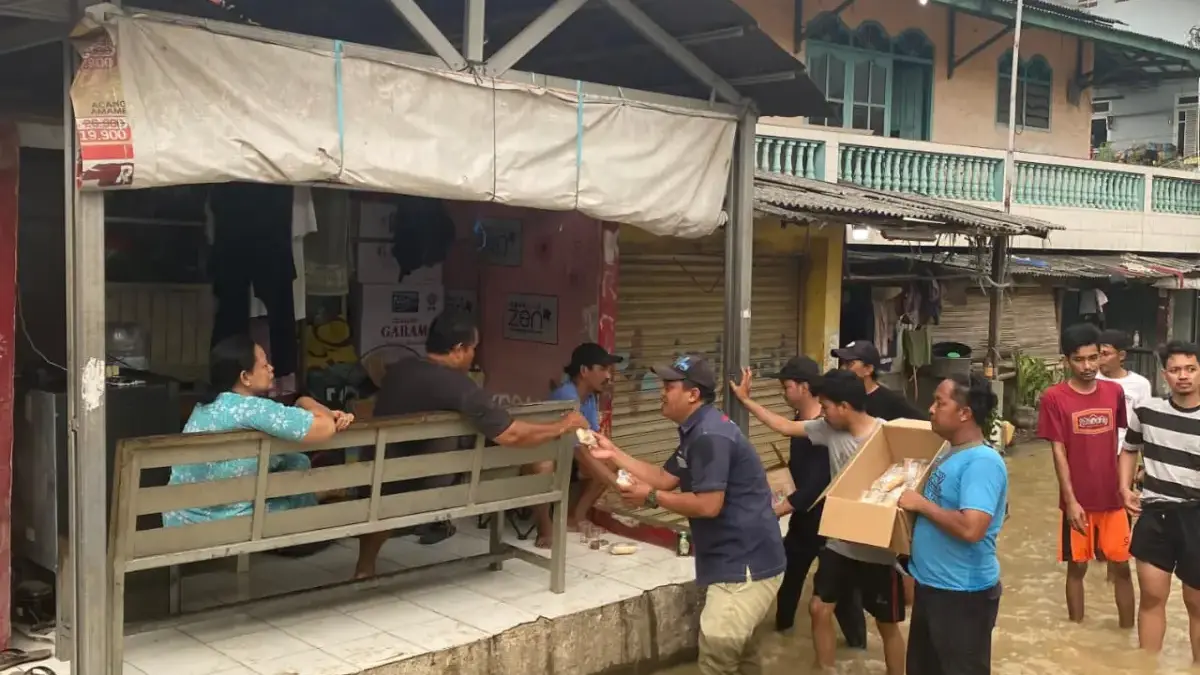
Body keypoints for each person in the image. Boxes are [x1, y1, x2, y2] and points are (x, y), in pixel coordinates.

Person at [586, 355, 785, 675]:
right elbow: (665, 478)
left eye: (669, 386)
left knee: (715, 661)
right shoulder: (698, 429)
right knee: (741, 657)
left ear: (692, 394)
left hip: (744, 565)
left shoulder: (709, 436)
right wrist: (613, 453)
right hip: (739, 559)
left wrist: (650, 497)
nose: (661, 392)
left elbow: (708, 505)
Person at [354, 310, 589, 578]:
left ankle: (365, 565)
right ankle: (546, 530)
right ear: (459, 349)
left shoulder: (399, 370)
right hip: (434, 485)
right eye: (473, 349)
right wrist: (563, 426)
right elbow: (511, 435)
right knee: (536, 454)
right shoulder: (459, 386)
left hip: (380, 482)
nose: (474, 355)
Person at [732, 368, 906, 675]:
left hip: (877, 549)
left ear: (844, 406)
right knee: (818, 608)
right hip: (840, 542)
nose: (821, 413)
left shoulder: (886, 435)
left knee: (887, 624)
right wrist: (746, 400)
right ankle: (824, 669)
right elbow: (785, 426)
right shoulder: (828, 430)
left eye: (825, 407)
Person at [164, 334, 355, 526]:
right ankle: (313, 513)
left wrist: (322, 414)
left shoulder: (206, 405)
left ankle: (316, 500)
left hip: (179, 518)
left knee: (295, 460)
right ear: (245, 377)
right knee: (297, 478)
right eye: (264, 365)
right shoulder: (252, 408)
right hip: (218, 522)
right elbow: (326, 428)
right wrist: (304, 400)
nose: (271, 368)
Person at [744, 357, 868, 646]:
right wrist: (746, 401)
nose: (783, 393)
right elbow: (784, 428)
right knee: (789, 575)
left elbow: (818, 481)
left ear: (802, 387)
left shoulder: (834, 428)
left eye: (786, 386)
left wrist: (780, 509)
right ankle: (783, 633)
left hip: (829, 522)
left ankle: (858, 646)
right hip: (805, 519)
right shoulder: (808, 425)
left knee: (840, 591)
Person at [898, 372, 1008, 675]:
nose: (930, 409)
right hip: (933, 587)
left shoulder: (982, 462)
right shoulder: (949, 452)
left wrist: (921, 505)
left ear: (964, 413)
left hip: (962, 596)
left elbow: (972, 528)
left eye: (939, 402)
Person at [1038, 323, 1134, 628]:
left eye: (1094, 358)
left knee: (1121, 568)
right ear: (1067, 360)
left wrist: (1126, 488)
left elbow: (1122, 445)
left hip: (1114, 499)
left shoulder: (1114, 392)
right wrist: (1070, 501)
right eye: (1080, 359)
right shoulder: (1054, 398)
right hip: (1078, 502)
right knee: (1077, 568)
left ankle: (1128, 636)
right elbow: (1058, 451)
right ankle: (1076, 632)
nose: (1088, 366)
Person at [1121, 340, 1200, 663]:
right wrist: (1123, 488)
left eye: (1191, 369)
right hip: (1156, 514)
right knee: (1152, 598)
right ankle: (1146, 667)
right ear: (1164, 375)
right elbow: (1129, 449)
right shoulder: (1147, 411)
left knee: (1197, 604)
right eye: (1176, 370)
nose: (1184, 376)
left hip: (1197, 516)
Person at [550, 343, 624, 531]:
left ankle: (576, 517)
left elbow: (592, 437)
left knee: (609, 462)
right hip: (553, 457)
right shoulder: (567, 396)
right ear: (584, 371)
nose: (608, 376)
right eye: (602, 369)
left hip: (572, 455)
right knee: (600, 466)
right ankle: (571, 518)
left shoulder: (590, 397)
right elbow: (577, 449)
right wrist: (616, 484)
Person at [833, 340, 924, 421]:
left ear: (868, 369)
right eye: (842, 363)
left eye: (849, 364)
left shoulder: (892, 402)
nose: (843, 368)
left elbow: (925, 425)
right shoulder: (840, 396)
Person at [1097, 329, 1153, 456]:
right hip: (1093, 452)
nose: (1100, 359)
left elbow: (1145, 426)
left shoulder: (1140, 384)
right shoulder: (1090, 380)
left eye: (1105, 354)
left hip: (1124, 452)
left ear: (1121, 355)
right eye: (1098, 354)